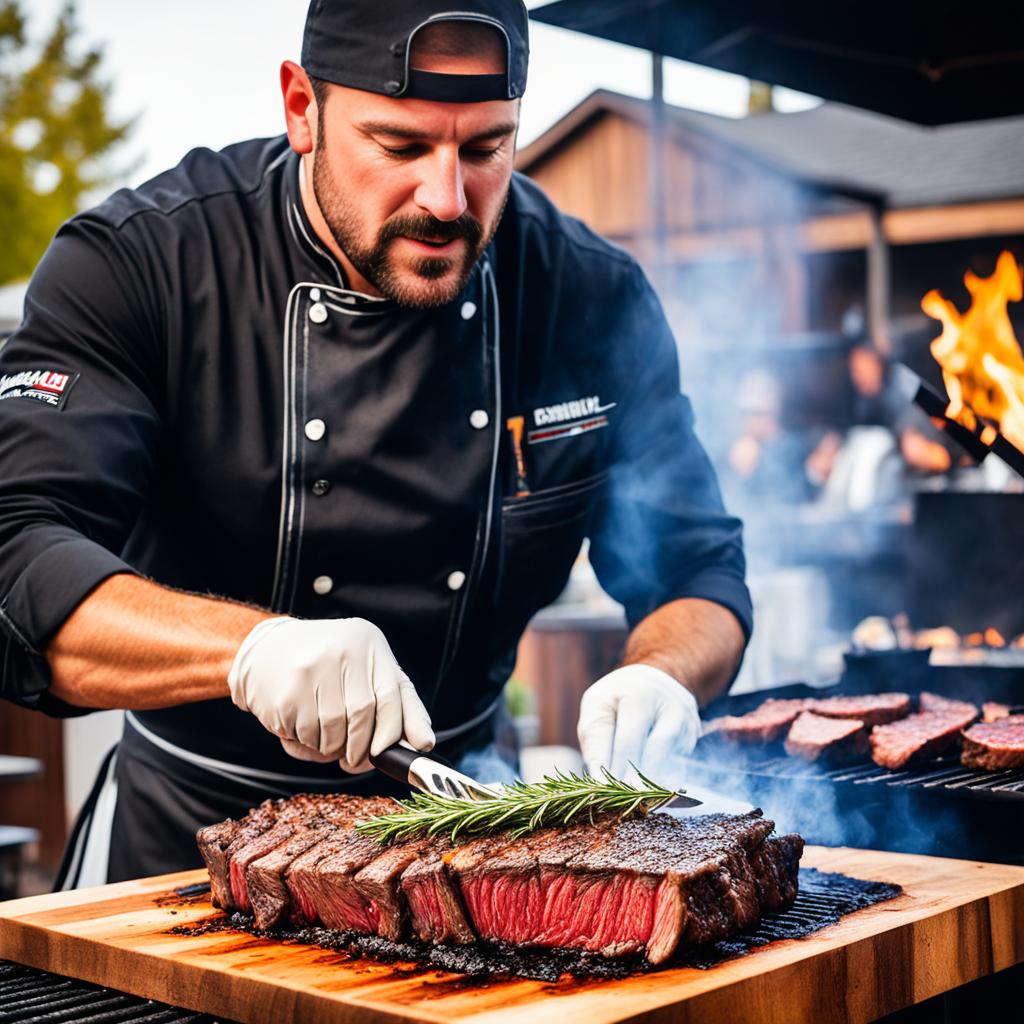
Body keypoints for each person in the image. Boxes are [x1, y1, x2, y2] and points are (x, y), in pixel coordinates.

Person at [0, 0, 751, 887]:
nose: (447, 199)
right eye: (399, 147)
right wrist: (250, 652)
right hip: (187, 849)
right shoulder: (141, 261)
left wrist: (662, 676)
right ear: (301, 109)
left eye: (485, 149)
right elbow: (16, 553)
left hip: (474, 842)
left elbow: (700, 575)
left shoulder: (588, 294)